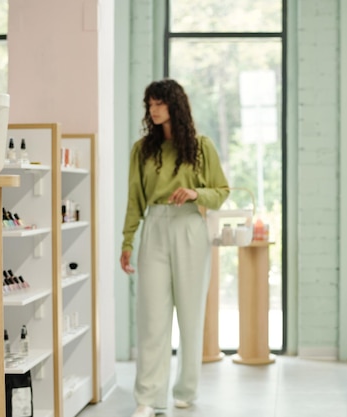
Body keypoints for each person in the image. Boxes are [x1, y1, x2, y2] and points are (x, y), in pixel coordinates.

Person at [120, 78, 230, 417]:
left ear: (174, 106)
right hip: (154, 226)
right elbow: (134, 199)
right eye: (149, 104)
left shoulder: (201, 146)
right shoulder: (142, 150)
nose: (153, 110)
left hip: (189, 228)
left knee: (190, 313)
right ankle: (148, 398)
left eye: (159, 104)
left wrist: (196, 193)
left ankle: (186, 389)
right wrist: (127, 241)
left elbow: (221, 190)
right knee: (151, 316)